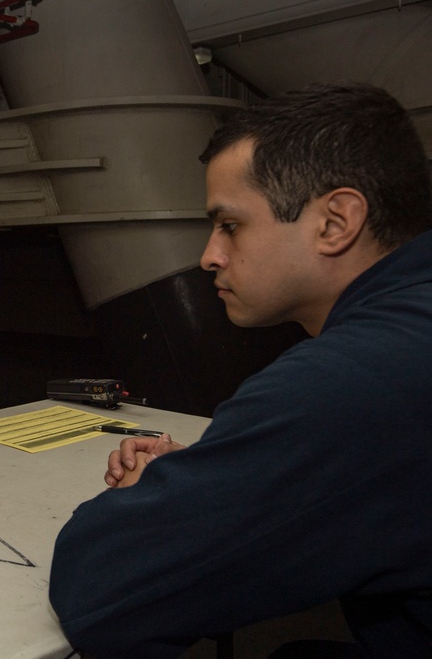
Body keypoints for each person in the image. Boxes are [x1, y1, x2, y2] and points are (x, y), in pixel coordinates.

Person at [48, 82, 432, 657]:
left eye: (230, 225)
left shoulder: (348, 381)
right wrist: (223, 479)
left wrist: (152, 494)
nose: (209, 256)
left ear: (336, 222)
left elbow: (106, 586)